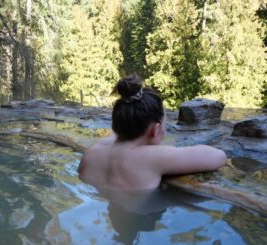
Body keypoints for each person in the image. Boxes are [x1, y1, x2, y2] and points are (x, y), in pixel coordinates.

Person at [78, 75, 226, 191]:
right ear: (155, 130)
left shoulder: (93, 151)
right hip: (138, 215)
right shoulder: (150, 158)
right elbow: (219, 157)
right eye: (164, 124)